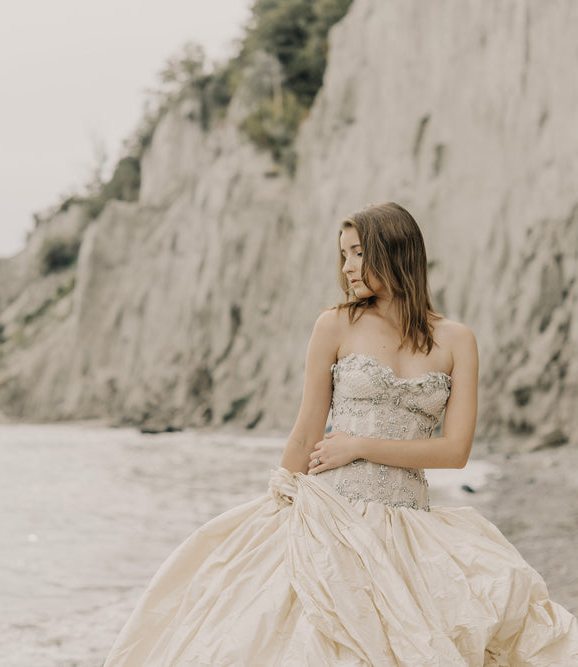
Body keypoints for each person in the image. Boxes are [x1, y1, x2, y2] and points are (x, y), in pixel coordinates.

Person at [103, 202, 578, 665]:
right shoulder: (335, 325)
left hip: (408, 522)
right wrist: (278, 502)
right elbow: (307, 429)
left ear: (393, 252)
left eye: (358, 252)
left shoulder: (456, 339)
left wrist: (359, 445)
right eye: (344, 255)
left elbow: (455, 452)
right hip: (330, 513)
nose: (348, 267)